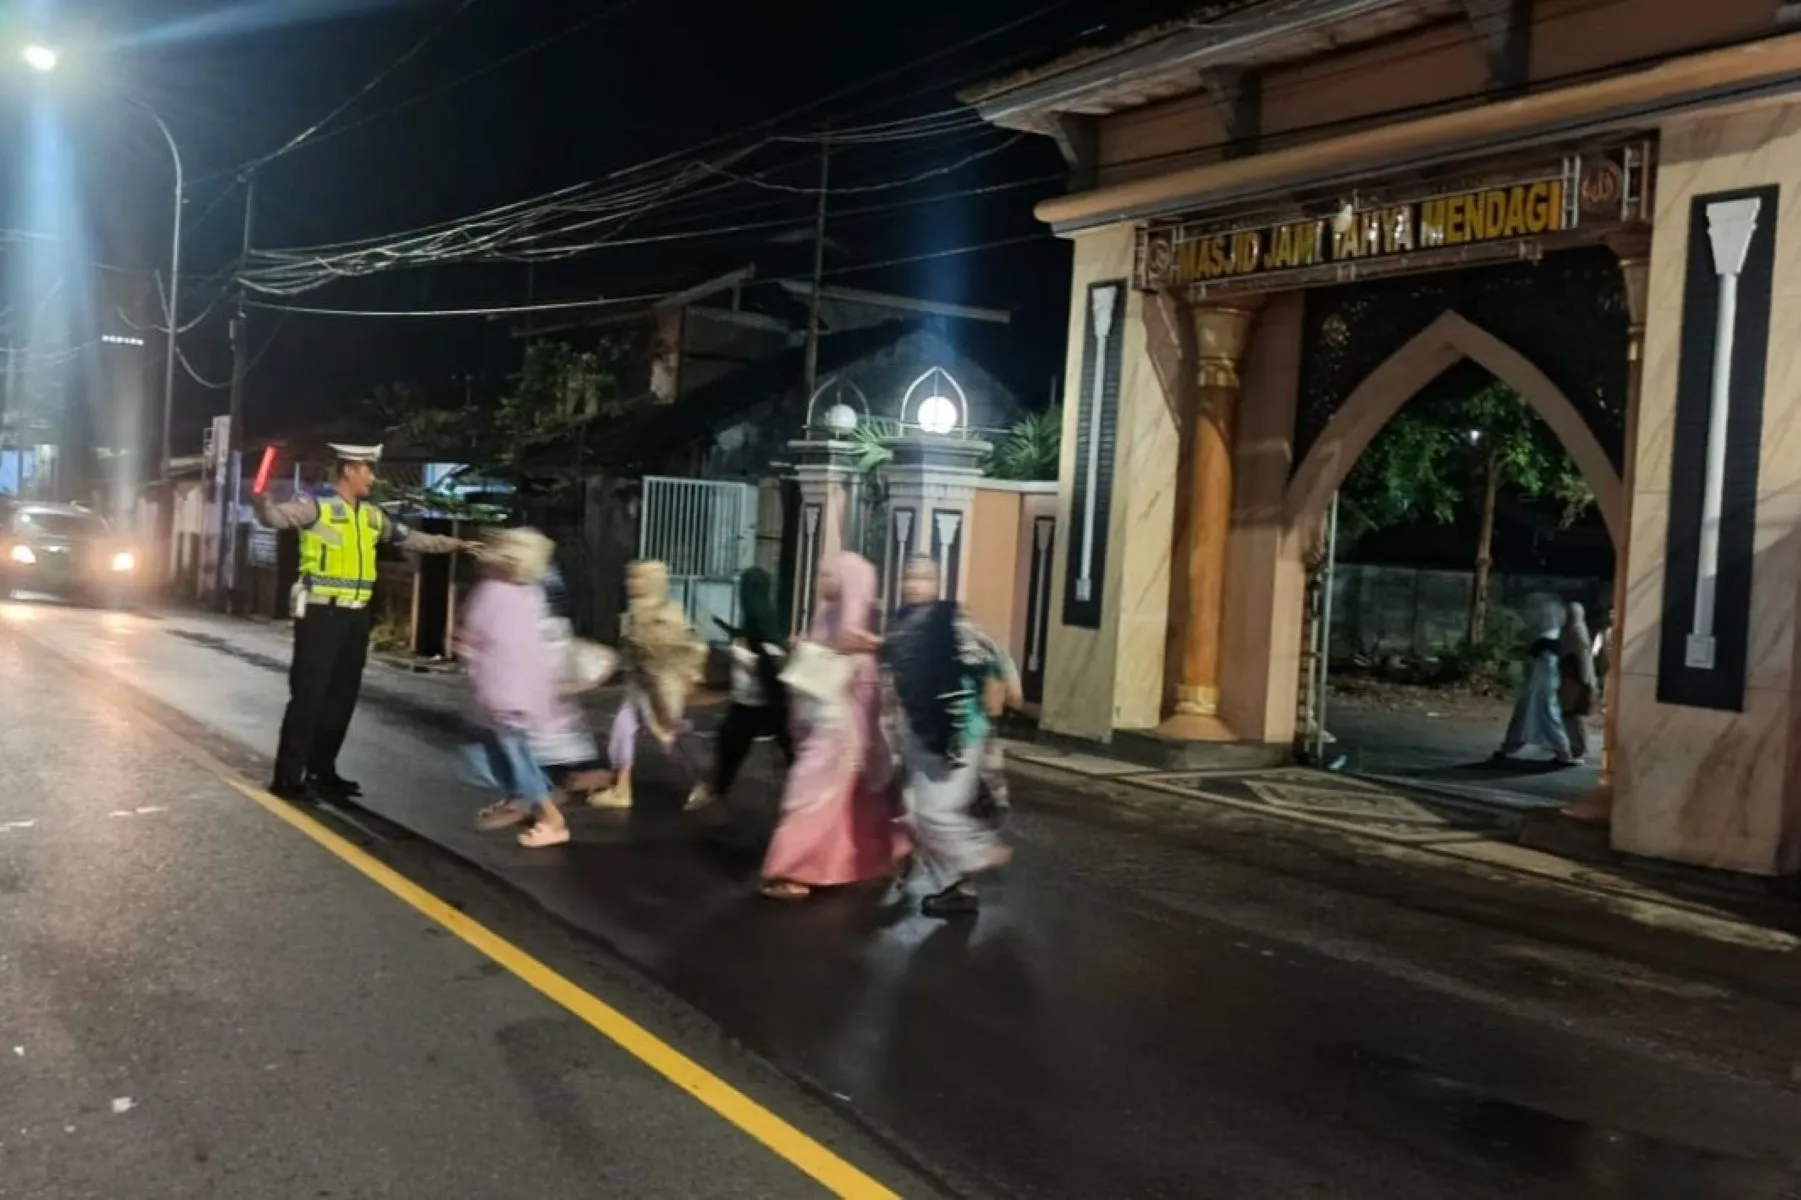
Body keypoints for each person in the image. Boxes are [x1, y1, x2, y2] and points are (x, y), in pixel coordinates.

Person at [253, 443, 472, 804]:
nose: (373, 477)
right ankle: (287, 778)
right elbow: (275, 519)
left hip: (356, 617)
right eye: (368, 470)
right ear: (349, 470)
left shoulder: (371, 516)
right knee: (309, 697)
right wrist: (262, 502)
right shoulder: (316, 505)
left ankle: (323, 772)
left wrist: (457, 545)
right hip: (321, 614)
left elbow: (413, 539)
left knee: (342, 698)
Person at [761, 551, 903, 901]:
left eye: (828, 575)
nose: (820, 581)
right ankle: (842, 864)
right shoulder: (829, 616)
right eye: (821, 574)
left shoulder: (858, 638)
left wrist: (821, 648)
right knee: (838, 798)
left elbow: (856, 670)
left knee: (810, 793)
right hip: (824, 722)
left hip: (837, 728)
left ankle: (791, 868)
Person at [882, 556, 1011, 917]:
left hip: (958, 731)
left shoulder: (950, 621)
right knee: (920, 816)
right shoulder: (901, 625)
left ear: (937, 584)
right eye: (909, 576)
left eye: (923, 577)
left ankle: (980, 854)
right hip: (920, 733)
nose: (914, 584)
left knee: (936, 812)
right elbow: (893, 679)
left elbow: (991, 657)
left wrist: (1001, 693)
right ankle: (958, 887)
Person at [455, 528, 570, 848]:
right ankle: (529, 798)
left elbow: (486, 643)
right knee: (506, 753)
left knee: (513, 757)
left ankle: (551, 819)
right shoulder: (520, 595)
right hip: (508, 694)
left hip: (503, 696)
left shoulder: (497, 594)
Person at [591, 560, 708, 810]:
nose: (632, 583)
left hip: (660, 685)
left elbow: (680, 650)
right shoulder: (635, 613)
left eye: (639, 578)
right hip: (640, 684)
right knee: (623, 729)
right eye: (631, 578)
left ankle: (706, 781)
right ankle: (622, 789)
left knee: (671, 736)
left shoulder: (666, 613)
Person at [704, 566, 794, 807]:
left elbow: (766, 653)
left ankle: (715, 795)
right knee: (732, 743)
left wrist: (740, 651)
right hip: (754, 700)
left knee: (733, 743)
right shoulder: (761, 615)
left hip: (757, 700)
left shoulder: (760, 617)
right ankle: (715, 794)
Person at [1495, 602, 1584, 767]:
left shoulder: (1548, 638)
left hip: (1541, 688)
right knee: (1538, 719)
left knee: (1532, 719)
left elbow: (1536, 660)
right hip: (1541, 688)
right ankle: (1562, 754)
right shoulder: (1555, 637)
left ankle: (1562, 753)